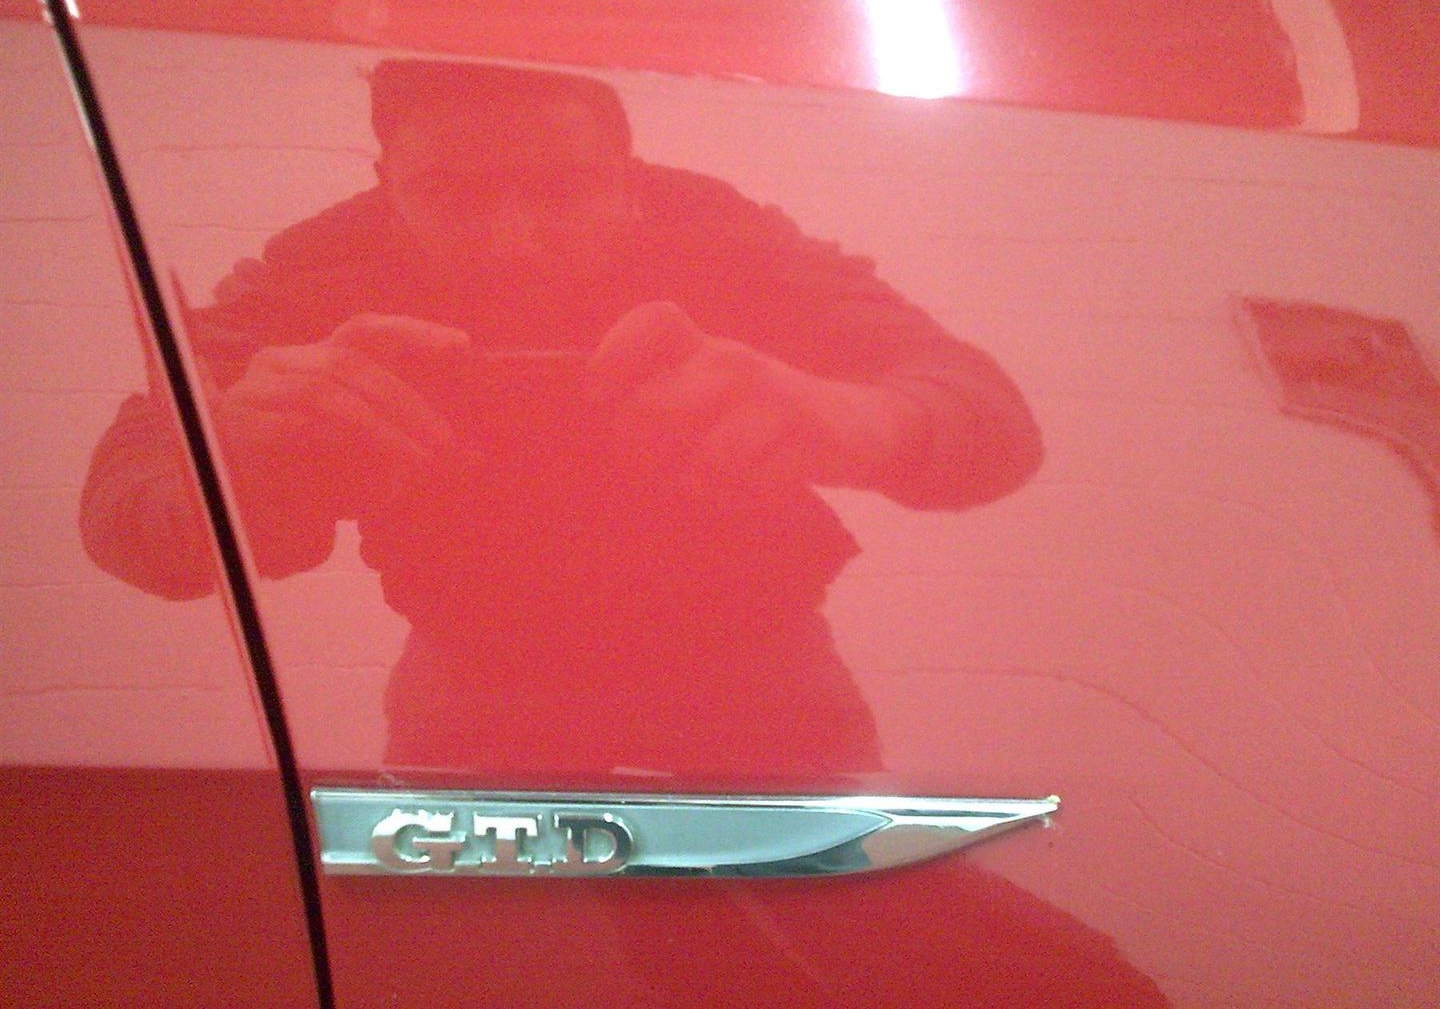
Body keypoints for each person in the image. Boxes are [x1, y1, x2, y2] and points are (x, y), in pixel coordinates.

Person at [81, 59, 1044, 779]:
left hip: (750, 667)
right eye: (450, 194)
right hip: (482, 675)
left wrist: (856, 421)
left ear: (629, 174)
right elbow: (130, 491)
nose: (514, 244)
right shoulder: (318, 270)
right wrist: (226, 464)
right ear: (385, 177)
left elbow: (988, 415)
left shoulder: (727, 236)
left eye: (563, 188)